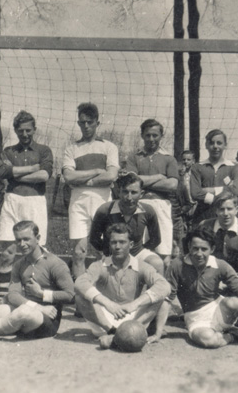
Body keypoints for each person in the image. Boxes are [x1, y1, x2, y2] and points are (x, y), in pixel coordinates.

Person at [159, 227, 238, 350]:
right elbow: (167, 299)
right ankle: (237, 336)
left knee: (234, 302)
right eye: (195, 248)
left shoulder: (220, 265)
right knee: (208, 340)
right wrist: (158, 332)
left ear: (212, 249)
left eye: (204, 249)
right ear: (189, 247)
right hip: (195, 318)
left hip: (218, 310)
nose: (199, 254)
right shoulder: (177, 265)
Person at [74, 223, 171, 350]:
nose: (117, 247)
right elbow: (79, 283)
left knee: (162, 299)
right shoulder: (99, 265)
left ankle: (125, 335)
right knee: (80, 297)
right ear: (109, 244)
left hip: (133, 319)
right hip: (105, 320)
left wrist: (135, 304)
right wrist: (108, 304)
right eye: (114, 242)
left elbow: (164, 286)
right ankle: (114, 334)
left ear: (130, 245)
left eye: (122, 242)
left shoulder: (141, 266)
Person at [62, 102, 119, 278]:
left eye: (90, 122)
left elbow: (111, 176)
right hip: (78, 202)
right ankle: (81, 295)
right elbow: (69, 177)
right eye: (82, 122)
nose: (86, 126)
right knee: (79, 252)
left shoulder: (109, 147)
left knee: (103, 251)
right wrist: (95, 171)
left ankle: (106, 291)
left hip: (103, 202)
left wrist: (83, 180)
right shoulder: (71, 149)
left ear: (97, 123)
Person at [87, 172, 165, 275]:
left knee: (157, 264)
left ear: (141, 194)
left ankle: (153, 291)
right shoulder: (105, 210)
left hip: (137, 253)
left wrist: (138, 250)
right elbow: (94, 238)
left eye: (134, 192)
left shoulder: (148, 211)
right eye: (125, 192)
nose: (129, 197)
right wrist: (108, 252)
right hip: (113, 254)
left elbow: (156, 239)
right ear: (119, 192)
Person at [125, 119, 179, 263]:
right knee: (137, 250)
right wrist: (159, 177)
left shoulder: (169, 159)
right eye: (147, 135)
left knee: (163, 252)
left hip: (161, 204)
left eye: (155, 135)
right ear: (142, 135)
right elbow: (131, 182)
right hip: (139, 204)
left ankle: (161, 284)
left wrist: (143, 182)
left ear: (161, 136)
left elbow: (173, 184)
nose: (151, 139)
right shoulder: (134, 157)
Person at [0, 111, 54, 246]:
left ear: (34, 129)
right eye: (21, 130)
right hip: (12, 200)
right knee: (8, 248)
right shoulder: (8, 151)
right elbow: (2, 172)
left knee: (36, 248)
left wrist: (14, 175)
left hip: (35, 201)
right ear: (15, 131)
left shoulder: (44, 150)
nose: (24, 134)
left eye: (28, 130)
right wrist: (32, 168)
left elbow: (44, 175)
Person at [181, 129, 238, 226]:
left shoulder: (234, 167)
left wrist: (210, 190)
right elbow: (195, 193)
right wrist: (222, 193)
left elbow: (235, 191)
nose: (215, 146)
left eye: (219, 143)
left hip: (226, 215)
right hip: (203, 214)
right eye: (211, 143)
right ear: (206, 145)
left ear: (225, 145)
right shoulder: (198, 167)